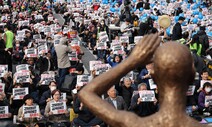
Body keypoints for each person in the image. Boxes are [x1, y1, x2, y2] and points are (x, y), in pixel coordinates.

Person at [78, 34, 204, 127]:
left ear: (153, 76)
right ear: (193, 75)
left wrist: (132, 61)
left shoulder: (136, 124)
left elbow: (86, 93)